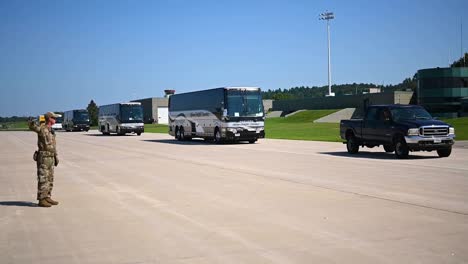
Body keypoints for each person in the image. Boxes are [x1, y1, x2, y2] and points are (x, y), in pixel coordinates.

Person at [28, 112, 61, 207]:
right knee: (43, 178)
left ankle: (47, 196)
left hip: (51, 157)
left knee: (50, 178)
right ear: (49, 119)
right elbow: (32, 127)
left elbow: (53, 146)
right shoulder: (42, 129)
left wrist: (56, 157)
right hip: (43, 158)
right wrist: (32, 121)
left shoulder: (51, 131)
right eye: (54, 118)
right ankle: (41, 199)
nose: (55, 120)